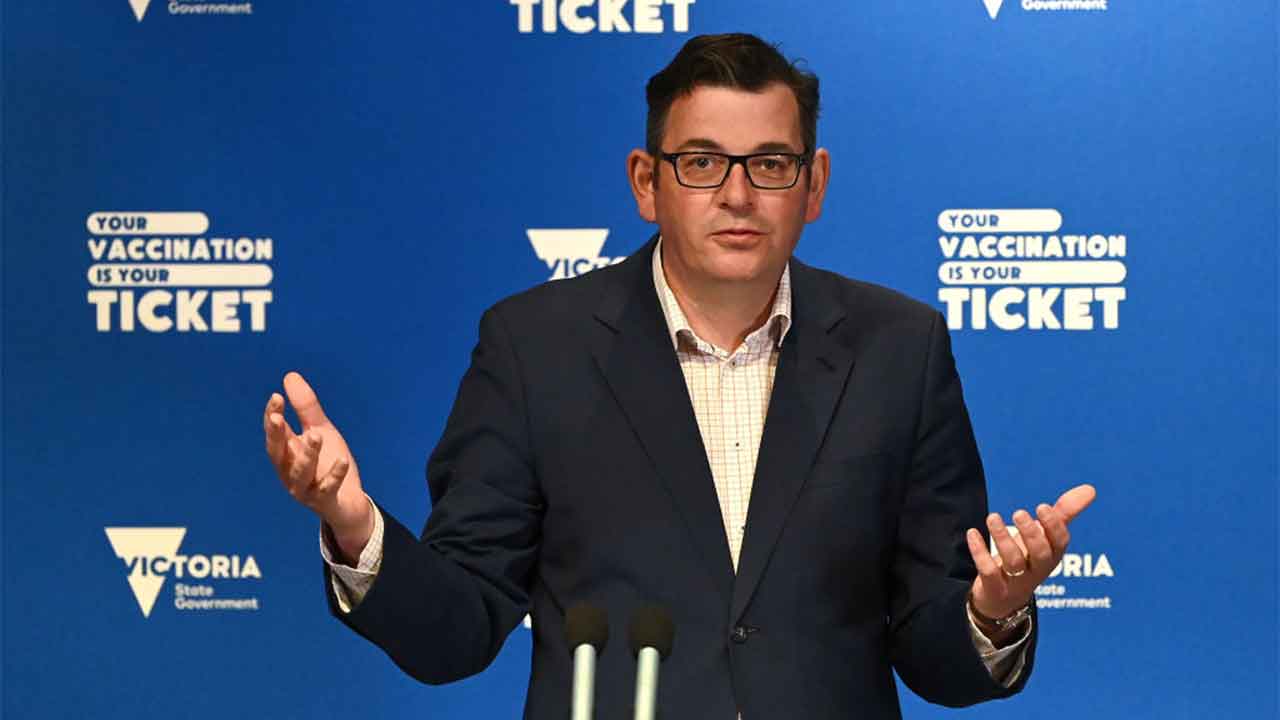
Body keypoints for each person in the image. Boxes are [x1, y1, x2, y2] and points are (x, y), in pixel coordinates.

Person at [263, 33, 1095, 719]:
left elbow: (932, 650)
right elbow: (458, 631)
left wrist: (991, 611)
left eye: (771, 164)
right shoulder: (535, 347)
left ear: (813, 185)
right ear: (646, 182)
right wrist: (355, 528)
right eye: (701, 162)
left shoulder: (900, 349)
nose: (738, 194)